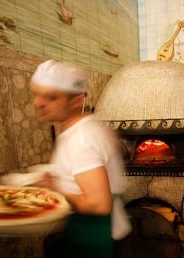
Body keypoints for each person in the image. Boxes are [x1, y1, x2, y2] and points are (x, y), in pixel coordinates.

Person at [30, 59, 131, 258]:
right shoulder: (84, 127)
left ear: (76, 101)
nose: (38, 103)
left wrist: (56, 188)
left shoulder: (81, 138)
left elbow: (98, 205)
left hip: (96, 235)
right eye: (37, 94)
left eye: (50, 97)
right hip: (95, 229)